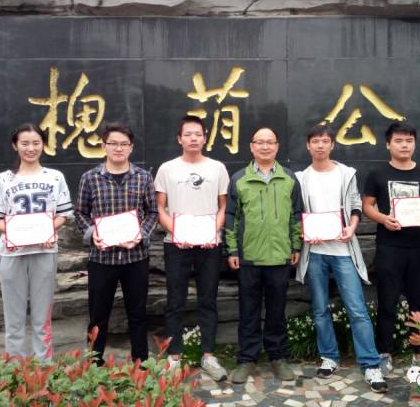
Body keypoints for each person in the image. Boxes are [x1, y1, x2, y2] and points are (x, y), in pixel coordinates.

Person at [296, 124, 388, 393]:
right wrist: (305, 232)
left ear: (332, 145)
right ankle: (329, 357)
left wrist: (352, 227)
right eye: (315, 141)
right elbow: (298, 212)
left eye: (325, 141)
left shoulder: (346, 174)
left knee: (357, 309)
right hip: (315, 252)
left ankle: (370, 364)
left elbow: (356, 204)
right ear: (308, 145)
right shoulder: (301, 178)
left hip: (343, 251)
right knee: (320, 309)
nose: (320, 146)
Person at [0, 123, 73, 361]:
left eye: (36, 143)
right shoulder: (3, 179)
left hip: (44, 250)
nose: (31, 148)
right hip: (12, 252)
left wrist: (46, 231)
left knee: (42, 315)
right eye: (25, 143)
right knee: (13, 315)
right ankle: (15, 366)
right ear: (15, 145)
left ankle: (43, 366)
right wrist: (15, 234)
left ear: (43, 145)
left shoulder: (55, 177)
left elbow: (64, 215)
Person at [75, 122, 158, 365]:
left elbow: (153, 212)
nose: (118, 148)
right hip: (102, 258)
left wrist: (141, 234)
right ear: (104, 146)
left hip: (136, 257)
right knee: (98, 315)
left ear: (131, 147)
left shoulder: (143, 177)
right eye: (113, 143)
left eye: (124, 144)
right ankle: (94, 363)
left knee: (138, 314)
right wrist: (92, 233)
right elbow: (80, 213)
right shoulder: (90, 178)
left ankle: (140, 363)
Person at [154, 115, 230, 381]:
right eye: (188, 134)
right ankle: (174, 356)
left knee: (208, 299)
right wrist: (178, 232)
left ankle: (208, 355)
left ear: (205, 138)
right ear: (179, 139)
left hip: (209, 245)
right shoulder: (167, 169)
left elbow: (223, 207)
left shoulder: (217, 168)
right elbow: (160, 208)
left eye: (198, 134)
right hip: (177, 244)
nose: (193, 138)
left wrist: (213, 232)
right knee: (175, 300)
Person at [225, 127, 302, 384]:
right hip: (249, 257)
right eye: (260, 142)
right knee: (248, 310)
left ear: (277, 146)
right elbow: (231, 217)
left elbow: (296, 215)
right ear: (252, 146)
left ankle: (278, 357)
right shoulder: (239, 179)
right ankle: (247, 359)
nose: (265, 147)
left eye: (270, 142)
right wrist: (232, 249)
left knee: (277, 311)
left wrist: (296, 246)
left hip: (280, 256)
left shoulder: (289, 178)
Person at [362, 121, 420, 373]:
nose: (404, 145)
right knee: (388, 301)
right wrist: (383, 219)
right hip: (390, 246)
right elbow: (367, 206)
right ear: (388, 144)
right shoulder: (377, 174)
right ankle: (385, 352)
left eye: (408, 140)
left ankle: (419, 352)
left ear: (414, 144)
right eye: (398, 140)